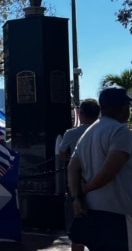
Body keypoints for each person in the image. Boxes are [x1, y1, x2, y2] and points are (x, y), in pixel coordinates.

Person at [68, 85, 132, 251]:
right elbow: (110, 170)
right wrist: (87, 189)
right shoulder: (120, 131)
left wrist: (76, 197)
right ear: (122, 107)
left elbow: (72, 167)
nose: (129, 110)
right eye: (128, 106)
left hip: (93, 209)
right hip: (119, 210)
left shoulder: (88, 133)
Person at [58, 98, 100, 251]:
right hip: (101, 182)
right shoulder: (106, 131)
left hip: (77, 182)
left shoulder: (71, 133)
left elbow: (62, 153)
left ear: (81, 114)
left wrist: (74, 160)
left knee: (77, 229)